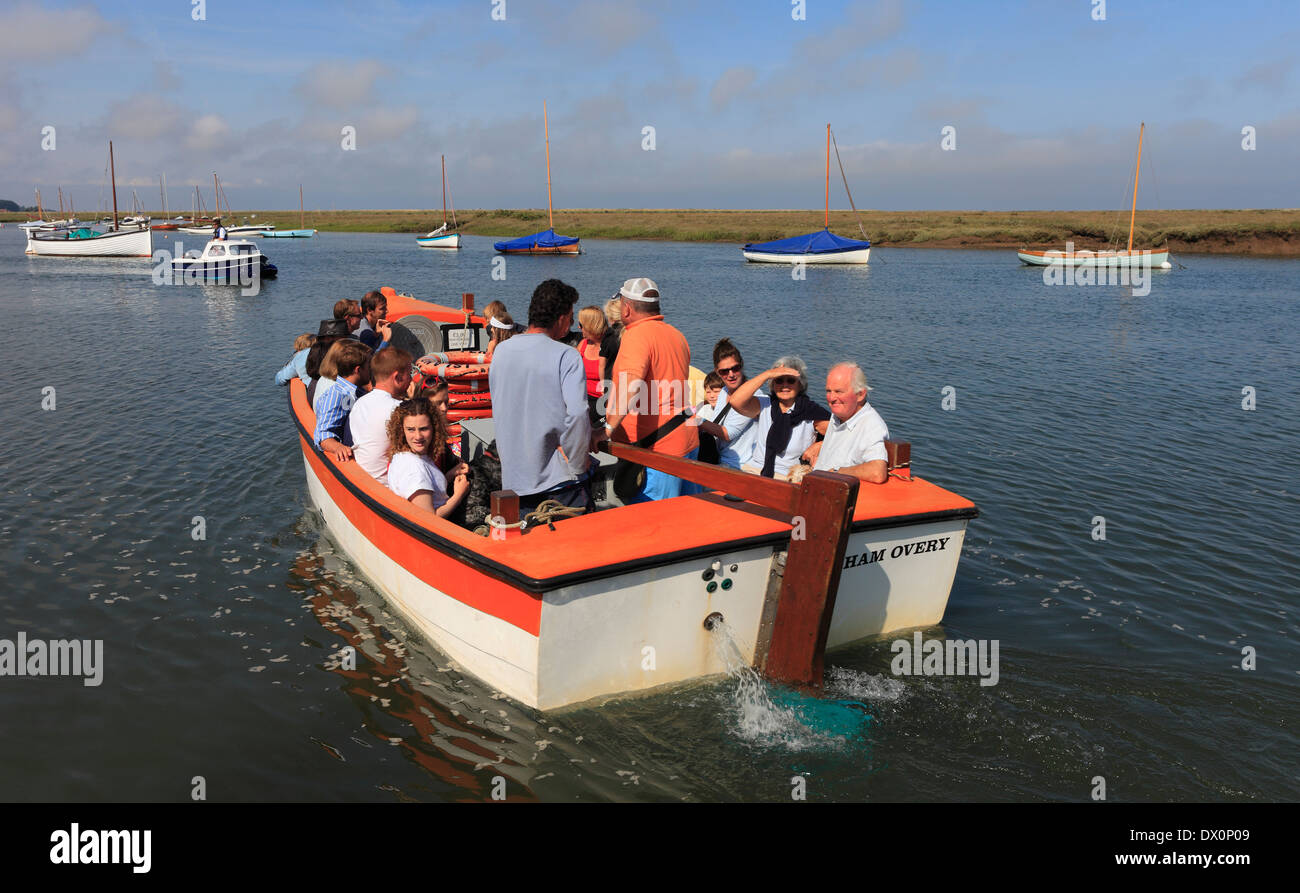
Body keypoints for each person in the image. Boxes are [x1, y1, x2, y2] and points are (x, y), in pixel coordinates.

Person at [488, 279, 595, 515]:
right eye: (570, 316)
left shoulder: (501, 352)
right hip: (558, 485)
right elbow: (577, 414)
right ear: (561, 319)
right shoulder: (567, 356)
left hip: (514, 482)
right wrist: (578, 465)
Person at [605, 277, 699, 501]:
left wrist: (607, 428)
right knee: (688, 517)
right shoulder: (677, 335)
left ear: (627, 309)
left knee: (657, 524)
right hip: (687, 441)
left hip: (659, 451)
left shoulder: (636, 336)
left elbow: (631, 385)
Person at [728, 355, 830, 481]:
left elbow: (841, 435)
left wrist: (821, 444)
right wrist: (767, 374)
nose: (784, 385)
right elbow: (735, 401)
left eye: (791, 380)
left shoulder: (811, 412)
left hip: (788, 477)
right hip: (755, 470)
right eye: (779, 380)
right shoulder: (765, 404)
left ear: (800, 384)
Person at [385, 397, 470, 519]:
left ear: (434, 428)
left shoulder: (404, 455)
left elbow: (429, 488)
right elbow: (429, 519)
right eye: (411, 429)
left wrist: (450, 475)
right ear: (401, 430)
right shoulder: (414, 469)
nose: (418, 436)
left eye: (423, 429)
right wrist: (459, 494)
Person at [808, 362, 890, 483]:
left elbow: (877, 472)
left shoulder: (872, 426)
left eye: (838, 391)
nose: (831, 398)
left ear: (860, 394)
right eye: (828, 391)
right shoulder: (839, 414)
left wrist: (837, 472)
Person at [347, 347, 414, 484]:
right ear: (397, 377)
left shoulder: (360, 403)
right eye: (409, 373)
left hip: (364, 478)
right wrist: (415, 401)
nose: (412, 378)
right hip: (387, 485)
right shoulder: (398, 409)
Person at [703, 337, 765, 470]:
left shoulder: (754, 396)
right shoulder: (724, 391)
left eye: (735, 368)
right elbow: (716, 424)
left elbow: (728, 434)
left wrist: (698, 421)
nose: (731, 375)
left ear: (741, 365)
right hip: (720, 458)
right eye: (724, 371)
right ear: (717, 372)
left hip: (741, 465)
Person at [313, 340, 372, 462]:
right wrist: (338, 447)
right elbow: (323, 435)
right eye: (368, 366)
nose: (371, 370)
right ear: (358, 370)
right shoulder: (337, 396)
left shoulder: (356, 391)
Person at [305, 319, 351, 406]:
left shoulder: (316, 351)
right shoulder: (324, 353)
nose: (347, 342)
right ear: (328, 338)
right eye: (343, 338)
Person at [575, 305, 607, 425]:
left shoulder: (610, 346)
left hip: (602, 399)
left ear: (590, 326)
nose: (578, 327)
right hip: (584, 397)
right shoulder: (583, 345)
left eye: (581, 325)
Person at [693, 370, 726, 464]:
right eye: (708, 392)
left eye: (716, 392)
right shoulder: (704, 409)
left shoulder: (731, 412)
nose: (712, 396)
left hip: (722, 457)